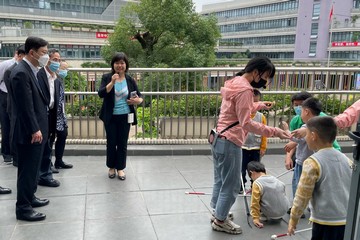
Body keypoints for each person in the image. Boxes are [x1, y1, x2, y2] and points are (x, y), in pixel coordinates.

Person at [210, 56, 290, 235]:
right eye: (266, 76)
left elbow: (237, 110)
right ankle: (220, 221)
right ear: (256, 73)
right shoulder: (246, 90)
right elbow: (246, 123)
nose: (266, 81)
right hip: (231, 142)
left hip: (218, 138)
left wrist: (259, 104)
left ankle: (217, 212)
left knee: (220, 180)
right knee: (231, 186)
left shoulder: (234, 82)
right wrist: (274, 131)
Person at [288, 116, 352, 239]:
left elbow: (302, 196)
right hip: (346, 219)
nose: (305, 138)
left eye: (306, 134)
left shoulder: (312, 162)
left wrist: (293, 220)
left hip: (325, 222)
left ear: (313, 135)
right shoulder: (346, 159)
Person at [8, 36, 50, 221]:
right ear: (32, 53)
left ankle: (30, 197)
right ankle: (23, 208)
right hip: (29, 133)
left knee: (32, 169)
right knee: (27, 171)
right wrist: (34, 129)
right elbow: (25, 107)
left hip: (36, 130)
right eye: (44, 53)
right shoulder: (21, 73)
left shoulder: (33, 69)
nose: (46, 56)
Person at [98, 52, 143, 180]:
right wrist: (112, 82)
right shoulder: (107, 77)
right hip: (111, 116)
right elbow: (101, 93)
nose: (119, 65)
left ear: (126, 65)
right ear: (113, 65)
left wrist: (137, 101)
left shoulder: (130, 80)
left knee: (122, 143)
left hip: (125, 116)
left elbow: (140, 97)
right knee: (111, 142)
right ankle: (111, 167)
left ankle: (120, 168)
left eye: (122, 63)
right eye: (117, 63)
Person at [36, 49, 61, 187]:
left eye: (59, 60)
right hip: (41, 115)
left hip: (51, 114)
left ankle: (45, 171)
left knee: (49, 143)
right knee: (42, 146)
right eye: (54, 60)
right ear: (47, 60)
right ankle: (43, 175)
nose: (57, 63)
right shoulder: (39, 75)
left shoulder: (55, 78)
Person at [3, 45, 26, 167]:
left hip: (20, 105)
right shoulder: (10, 70)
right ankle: (14, 156)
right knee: (13, 130)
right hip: (12, 104)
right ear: (20, 55)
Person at [247, 161, 289, 228]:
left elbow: (254, 203)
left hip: (271, 213)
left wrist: (255, 218)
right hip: (284, 210)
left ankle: (264, 215)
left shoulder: (257, 183)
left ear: (252, 173)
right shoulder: (276, 179)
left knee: (257, 197)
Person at [240, 89, 267, 193]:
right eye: (252, 102)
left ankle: (254, 186)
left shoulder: (261, 117)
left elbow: (265, 133)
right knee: (242, 169)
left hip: (256, 148)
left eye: (257, 102)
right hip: (243, 147)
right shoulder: (242, 115)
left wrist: (263, 147)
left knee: (255, 169)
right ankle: (241, 187)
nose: (255, 105)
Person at [49, 61, 72, 172]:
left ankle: (59, 161)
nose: (65, 72)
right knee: (50, 138)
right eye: (64, 69)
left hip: (61, 114)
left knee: (63, 135)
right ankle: (48, 163)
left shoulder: (59, 80)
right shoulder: (51, 79)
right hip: (53, 114)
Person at [0, 47, 21, 163]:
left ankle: (15, 152)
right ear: (17, 54)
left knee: (16, 125)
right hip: (5, 95)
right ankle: (6, 152)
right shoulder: (6, 65)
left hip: (16, 97)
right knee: (6, 125)